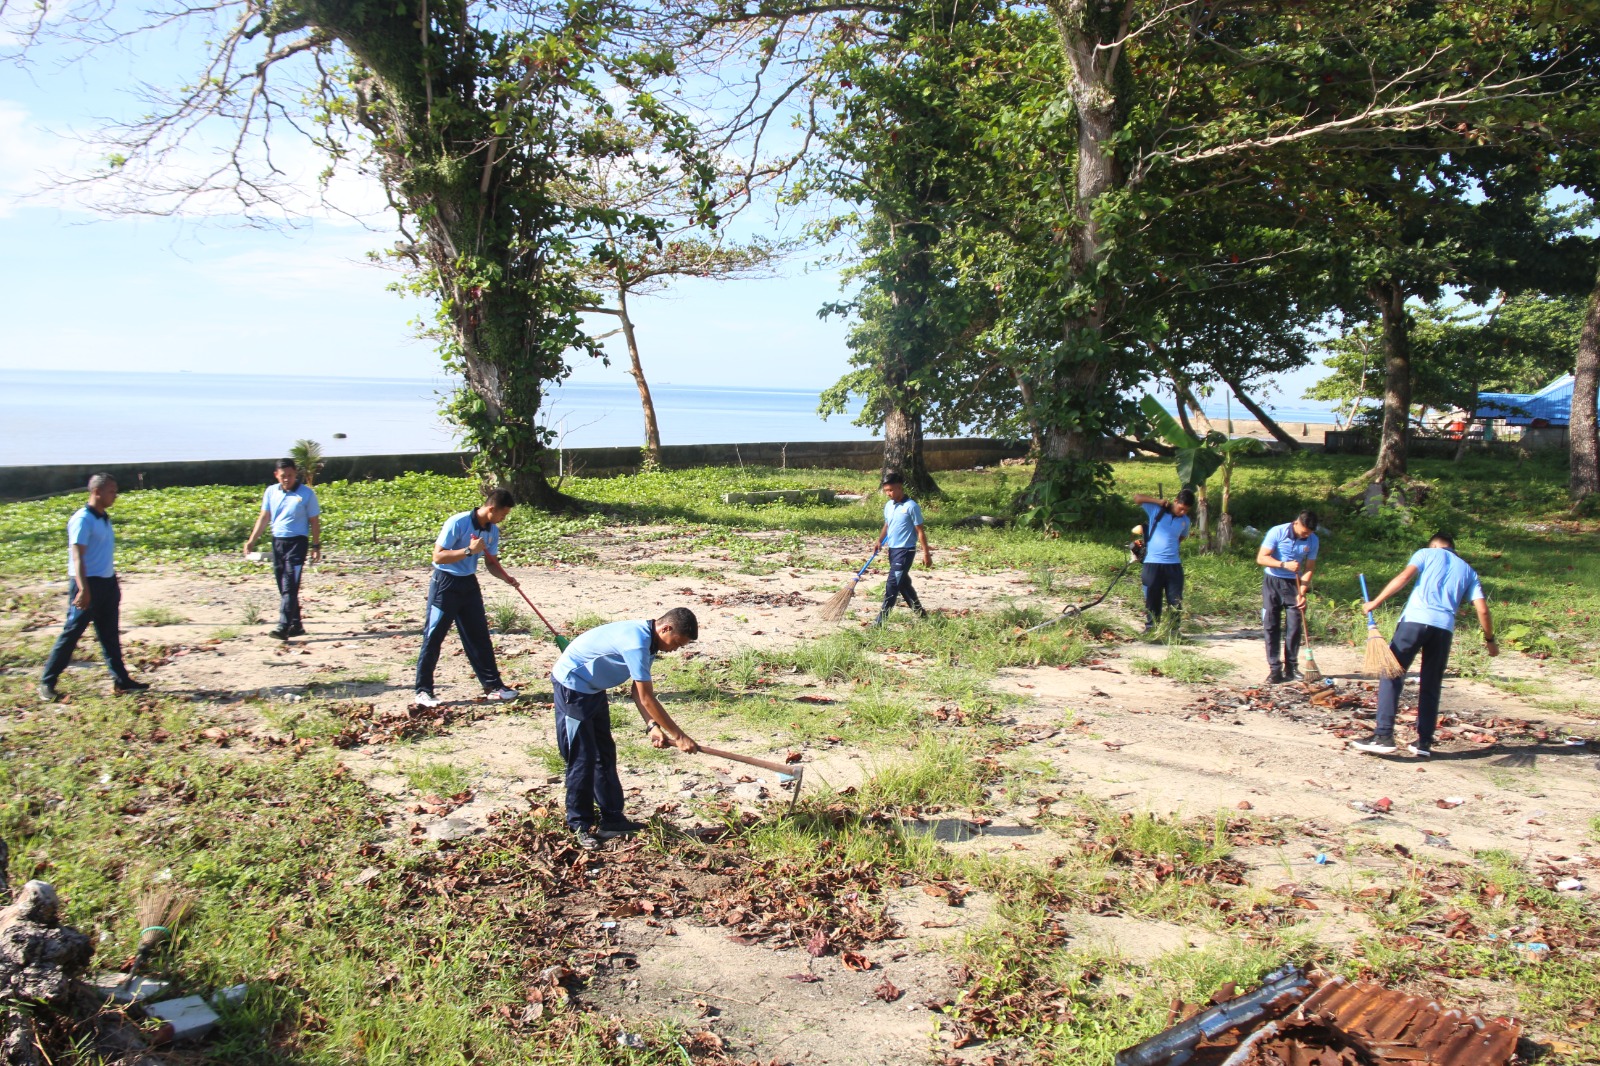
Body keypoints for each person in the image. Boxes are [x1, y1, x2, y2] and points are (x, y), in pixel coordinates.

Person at [549, 608, 701, 850]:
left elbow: (636, 692)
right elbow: (647, 698)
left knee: (604, 754)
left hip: (593, 689)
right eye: (677, 643)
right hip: (573, 689)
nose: (675, 649)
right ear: (666, 628)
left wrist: (652, 726)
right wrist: (679, 736)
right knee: (582, 759)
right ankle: (579, 825)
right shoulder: (636, 643)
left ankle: (612, 820)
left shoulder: (650, 642)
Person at [1351, 533, 1498, 758]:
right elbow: (1483, 610)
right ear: (1453, 548)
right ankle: (1424, 741)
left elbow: (1404, 577)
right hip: (1443, 630)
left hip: (1414, 622)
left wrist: (1376, 602)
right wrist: (1490, 640)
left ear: (1435, 545)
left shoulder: (1426, 553)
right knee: (1431, 683)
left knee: (1391, 674)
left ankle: (1383, 736)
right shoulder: (1469, 571)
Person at [39, 474, 148, 701]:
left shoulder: (103, 517)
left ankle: (122, 680)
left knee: (110, 635)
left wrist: (112, 583)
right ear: (96, 492)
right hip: (88, 584)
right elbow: (77, 557)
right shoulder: (82, 519)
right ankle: (47, 682)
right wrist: (83, 589)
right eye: (111, 491)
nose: (115, 495)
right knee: (72, 633)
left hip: (107, 583)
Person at [413, 488, 523, 707]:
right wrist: (468, 551)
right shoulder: (457, 522)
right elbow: (438, 556)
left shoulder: (492, 531)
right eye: (503, 514)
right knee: (434, 637)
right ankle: (423, 691)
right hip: (445, 583)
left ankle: (494, 687)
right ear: (491, 508)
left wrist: (506, 578)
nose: (504, 518)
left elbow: (491, 563)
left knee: (479, 636)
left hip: (469, 584)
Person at [242, 458, 322, 639]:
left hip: (297, 543)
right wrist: (252, 540)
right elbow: (264, 517)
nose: (287, 479)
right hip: (278, 542)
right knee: (282, 584)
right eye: (283, 476)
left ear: (296, 474)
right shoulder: (271, 492)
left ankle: (283, 626)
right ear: (276, 475)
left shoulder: (306, 494)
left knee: (290, 585)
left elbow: (314, 521)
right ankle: (296, 625)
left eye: (290, 475)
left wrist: (316, 545)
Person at [1255, 510, 1320, 683]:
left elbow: (1309, 568)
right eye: (1304, 532)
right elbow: (1261, 558)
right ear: (1296, 523)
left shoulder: (1313, 540)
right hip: (1273, 581)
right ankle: (1274, 669)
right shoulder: (1277, 532)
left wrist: (1302, 592)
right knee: (1271, 625)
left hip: (1294, 585)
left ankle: (1291, 668)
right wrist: (1284, 564)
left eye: (1309, 533)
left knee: (1295, 626)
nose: (1306, 535)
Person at [874, 471, 932, 625]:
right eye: (886, 490)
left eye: (891, 490)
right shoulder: (889, 506)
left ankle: (879, 623)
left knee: (892, 585)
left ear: (900, 487)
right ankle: (923, 617)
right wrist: (879, 540)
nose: (888, 494)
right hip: (893, 550)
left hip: (906, 551)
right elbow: (887, 524)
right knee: (904, 585)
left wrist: (926, 554)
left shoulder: (911, 506)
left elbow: (920, 531)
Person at [1132, 489, 1194, 633]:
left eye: (1186, 510)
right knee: (1153, 598)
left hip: (1173, 565)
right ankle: (1151, 628)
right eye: (1181, 508)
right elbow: (1137, 498)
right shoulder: (1156, 511)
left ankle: (1173, 631)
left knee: (1175, 599)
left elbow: (1180, 538)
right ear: (1175, 501)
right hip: (1153, 563)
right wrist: (1158, 501)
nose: (1183, 512)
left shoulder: (1185, 521)